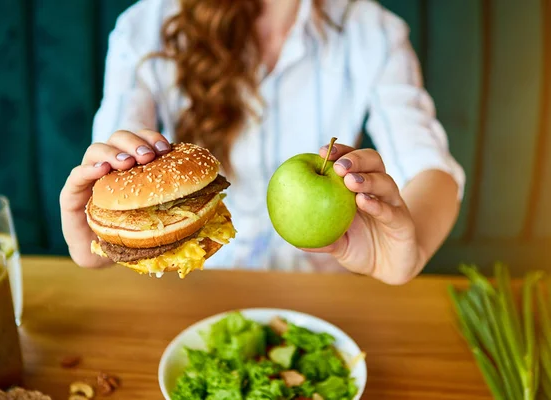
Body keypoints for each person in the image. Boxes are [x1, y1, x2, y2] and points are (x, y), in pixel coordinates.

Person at [60, 0, 465, 285]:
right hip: (191, 294)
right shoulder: (145, 27)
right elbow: (116, 156)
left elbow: (431, 168)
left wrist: (407, 256)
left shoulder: (373, 33)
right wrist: (101, 232)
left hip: (324, 296)